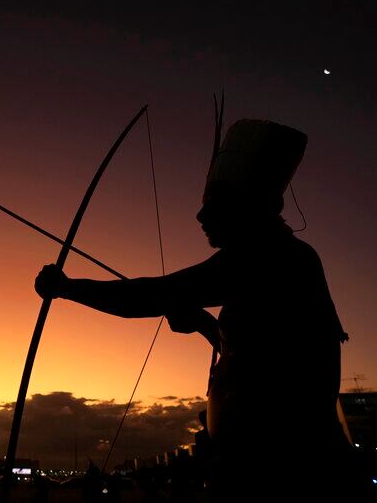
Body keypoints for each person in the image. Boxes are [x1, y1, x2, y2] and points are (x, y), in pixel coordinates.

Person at [36, 116, 355, 501]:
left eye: (216, 206)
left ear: (249, 208)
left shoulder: (268, 254)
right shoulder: (276, 259)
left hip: (283, 476)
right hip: (263, 468)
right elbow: (264, 351)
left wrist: (69, 288)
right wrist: (205, 325)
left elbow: (151, 296)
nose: (201, 218)